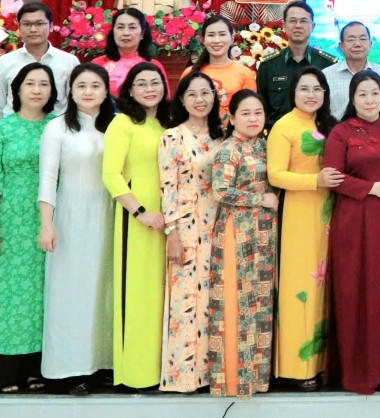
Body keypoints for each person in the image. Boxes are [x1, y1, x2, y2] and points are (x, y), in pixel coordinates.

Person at [325, 70, 380, 394]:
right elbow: (333, 177)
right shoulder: (340, 132)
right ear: (352, 98)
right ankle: (357, 371)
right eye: (362, 94)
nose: (369, 100)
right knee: (353, 290)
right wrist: (370, 188)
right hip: (352, 220)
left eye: (375, 93)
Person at [37, 64, 115, 392]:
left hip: (109, 216)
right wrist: (46, 224)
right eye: (81, 85)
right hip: (70, 216)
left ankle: (102, 363)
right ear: (70, 90)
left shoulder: (115, 125)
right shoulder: (57, 128)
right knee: (70, 292)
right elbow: (47, 179)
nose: (88, 91)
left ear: (106, 91)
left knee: (104, 289)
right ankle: (67, 369)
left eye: (95, 85)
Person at [0, 63, 56, 392]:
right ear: (17, 89)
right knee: (10, 295)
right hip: (10, 221)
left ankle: (40, 368)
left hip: (51, 221)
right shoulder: (1, 129)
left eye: (44, 84)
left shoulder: (58, 126)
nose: (37, 90)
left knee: (45, 294)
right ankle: (7, 371)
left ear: (53, 91)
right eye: (30, 84)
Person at [267, 67, 343, 389]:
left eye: (317, 89)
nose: (311, 95)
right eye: (304, 89)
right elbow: (275, 175)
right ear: (293, 93)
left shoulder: (329, 125)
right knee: (299, 288)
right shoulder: (284, 126)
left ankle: (324, 364)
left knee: (324, 288)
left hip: (329, 214)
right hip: (298, 215)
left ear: (325, 93)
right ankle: (296, 369)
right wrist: (315, 180)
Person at [101, 62, 172, 389]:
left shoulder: (166, 124)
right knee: (138, 293)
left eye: (155, 82)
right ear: (129, 89)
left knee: (161, 294)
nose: (149, 89)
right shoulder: (123, 123)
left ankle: (161, 369)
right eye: (141, 83)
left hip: (170, 218)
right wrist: (140, 212)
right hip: (139, 220)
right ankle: (136, 373)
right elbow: (111, 174)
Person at [158, 71, 223, 393]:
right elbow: (167, 187)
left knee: (215, 299)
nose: (200, 100)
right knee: (187, 301)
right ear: (182, 100)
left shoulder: (223, 137)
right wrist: (172, 232)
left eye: (206, 93)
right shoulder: (172, 137)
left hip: (221, 226)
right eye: (193, 94)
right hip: (186, 227)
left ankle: (215, 374)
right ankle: (185, 376)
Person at [209, 90, 277, 398]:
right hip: (237, 232)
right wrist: (259, 199)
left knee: (259, 304)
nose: (253, 119)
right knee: (238, 303)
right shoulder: (229, 149)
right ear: (232, 118)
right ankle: (235, 381)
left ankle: (257, 378)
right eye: (246, 113)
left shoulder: (263, 145)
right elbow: (221, 191)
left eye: (258, 113)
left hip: (263, 233)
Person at [0, 1, 78, 120]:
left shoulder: (69, 62)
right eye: (27, 24)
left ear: (51, 26)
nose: (33, 29)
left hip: (56, 127)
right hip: (13, 129)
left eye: (39, 24)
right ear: (19, 27)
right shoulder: (4, 62)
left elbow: (76, 104)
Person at [258, 1, 337, 127]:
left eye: (304, 21)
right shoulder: (268, 65)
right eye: (293, 21)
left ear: (313, 26)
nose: (298, 25)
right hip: (278, 134)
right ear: (284, 25)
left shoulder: (327, 64)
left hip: (316, 134)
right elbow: (261, 108)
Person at [181, 14, 256, 121]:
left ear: (232, 38)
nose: (216, 40)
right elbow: (181, 110)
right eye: (211, 35)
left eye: (222, 34)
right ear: (203, 40)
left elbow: (250, 112)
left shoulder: (245, 73)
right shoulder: (190, 73)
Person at [325, 21, 380, 121]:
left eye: (362, 39)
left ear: (370, 44)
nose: (357, 44)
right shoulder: (326, 76)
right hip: (337, 130)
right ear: (341, 46)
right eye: (351, 39)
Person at [93, 7, 167, 95]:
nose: (126, 33)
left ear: (142, 33)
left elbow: (164, 100)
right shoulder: (97, 64)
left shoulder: (154, 65)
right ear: (113, 32)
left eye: (132, 27)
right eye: (120, 27)